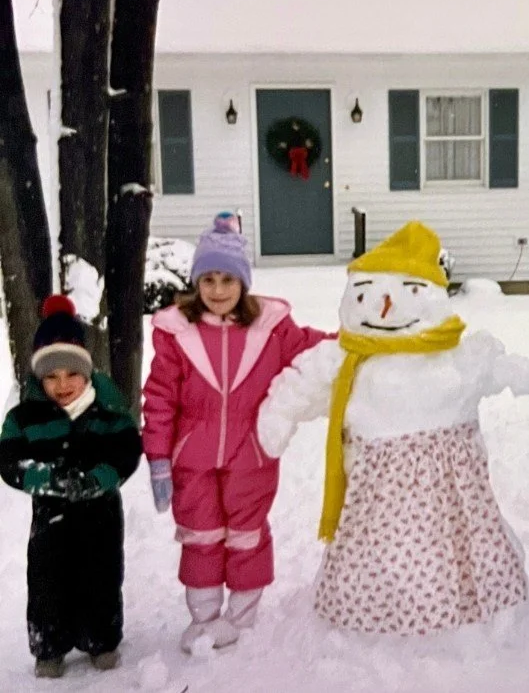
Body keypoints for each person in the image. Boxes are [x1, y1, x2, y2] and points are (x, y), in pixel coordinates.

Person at [257, 221, 529, 636]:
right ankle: (376, 612)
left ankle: (461, 619)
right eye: (364, 295)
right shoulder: (347, 357)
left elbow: (490, 368)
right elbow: (302, 384)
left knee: (456, 545)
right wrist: (279, 415)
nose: (382, 308)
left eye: (408, 292)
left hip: (450, 486)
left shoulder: (452, 352)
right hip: (377, 485)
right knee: (378, 549)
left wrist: (524, 375)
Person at [142, 212, 332, 652]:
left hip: (253, 454)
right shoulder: (177, 334)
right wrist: (157, 457)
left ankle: (241, 619)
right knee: (200, 534)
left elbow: (319, 348)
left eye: (227, 279)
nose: (218, 290)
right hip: (193, 458)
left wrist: (366, 340)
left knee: (247, 534)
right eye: (207, 280)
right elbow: (159, 396)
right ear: (196, 284)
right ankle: (204, 619)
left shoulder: (271, 329)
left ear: (243, 282)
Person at [0, 295, 142, 678]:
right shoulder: (24, 417)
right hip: (51, 516)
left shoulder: (108, 412)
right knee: (48, 579)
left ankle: (101, 639)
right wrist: (43, 477)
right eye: (51, 376)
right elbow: (8, 460)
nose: (63, 384)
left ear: (87, 372)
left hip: (100, 514)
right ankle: (49, 645)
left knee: (101, 574)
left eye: (71, 374)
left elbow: (128, 451)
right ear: (38, 378)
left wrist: (99, 479)